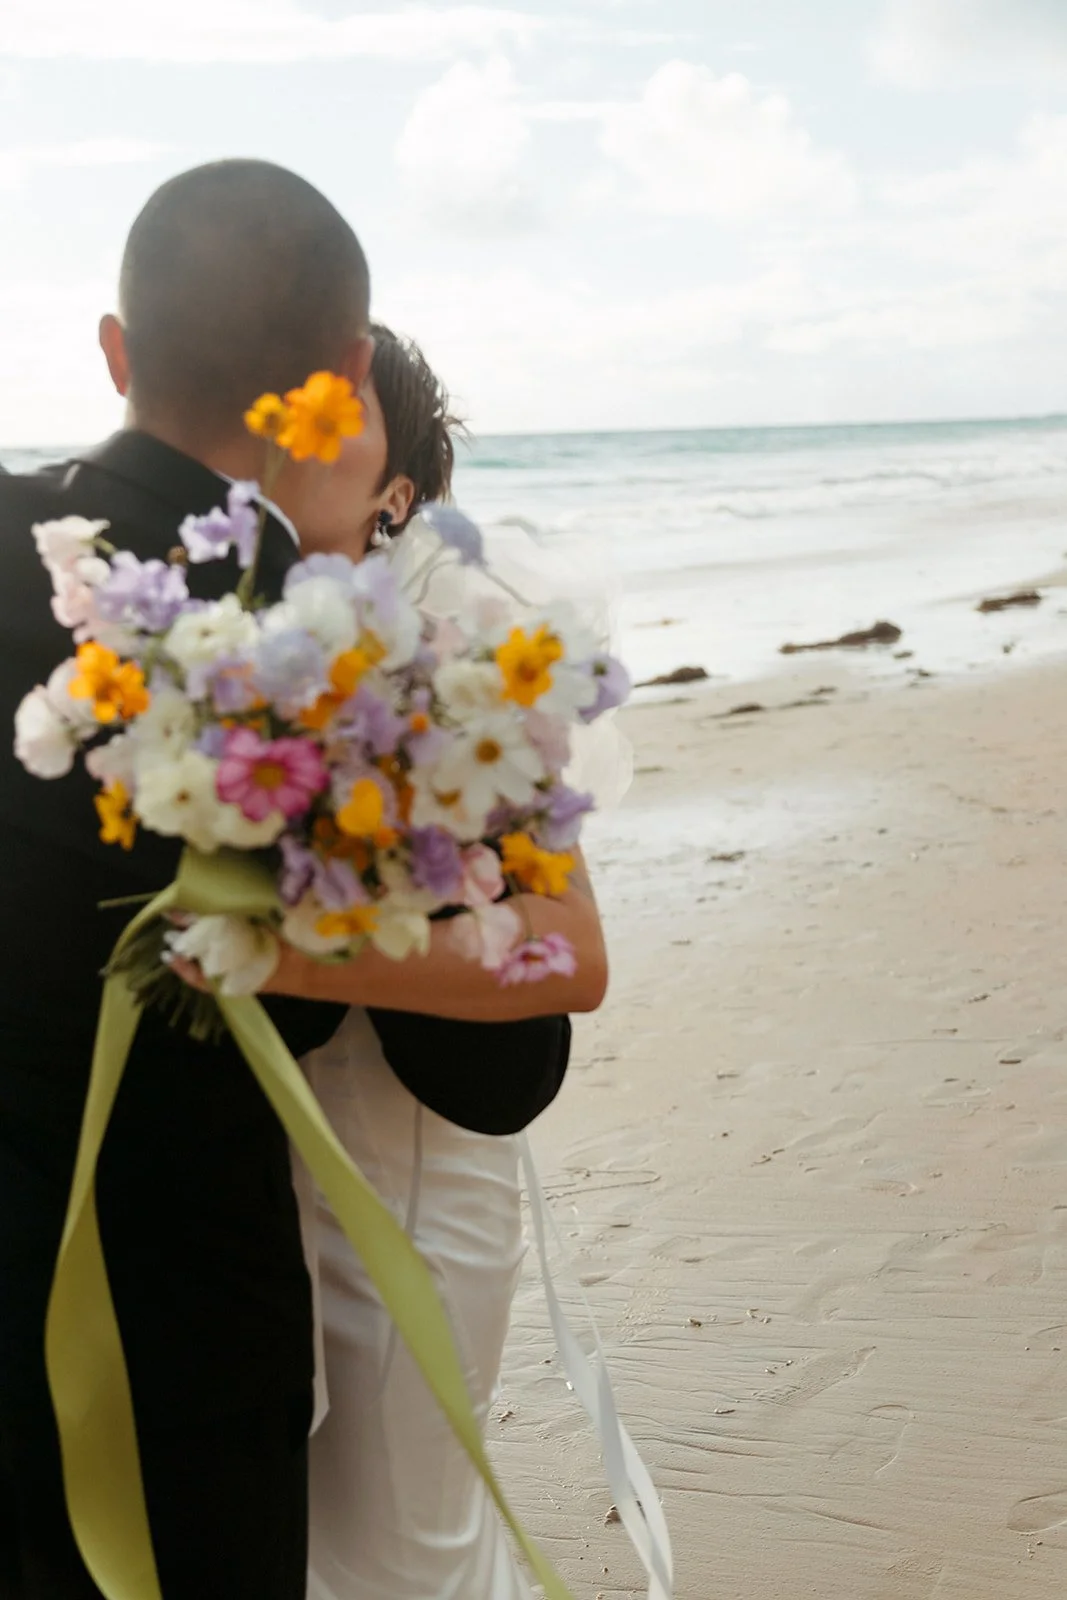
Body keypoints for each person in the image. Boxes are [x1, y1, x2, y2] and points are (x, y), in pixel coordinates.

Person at [0, 162, 575, 1600]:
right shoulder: (326, 655)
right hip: (193, 1336)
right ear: (342, 379)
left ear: (116, 350)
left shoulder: (335, 637)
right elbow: (500, 1060)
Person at [296, 329, 608, 1598]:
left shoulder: (455, 658)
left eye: (318, 429)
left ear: (396, 487)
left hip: (413, 1165)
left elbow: (567, 953)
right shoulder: (240, 651)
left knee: (402, 1553)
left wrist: (278, 958)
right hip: (262, 1165)